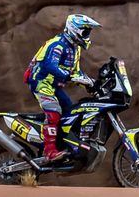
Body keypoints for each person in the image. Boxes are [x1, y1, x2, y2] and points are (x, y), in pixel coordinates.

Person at [23, 13, 101, 162]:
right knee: (54, 112)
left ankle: (63, 145)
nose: (87, 35)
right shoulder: (58, 44)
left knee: (71, 112)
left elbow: (76, 72)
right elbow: (50, 64)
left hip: (54, 85)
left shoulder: (75, 48)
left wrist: (92, 84)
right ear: (75, 29)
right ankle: (49, 152)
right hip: (40, 82)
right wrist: (67, 76)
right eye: (86, 31)